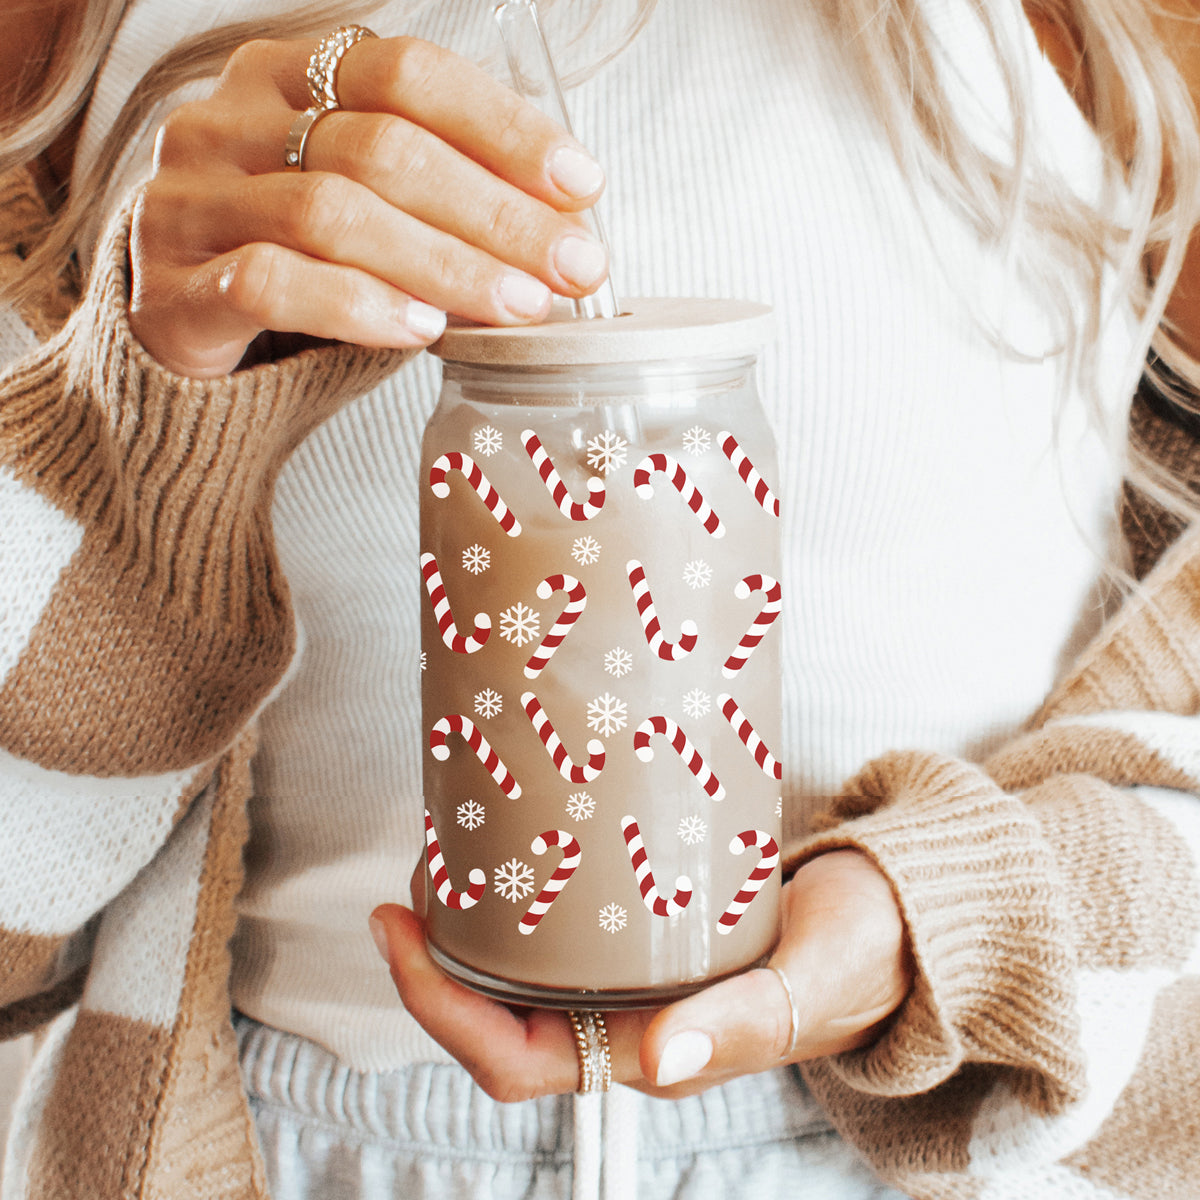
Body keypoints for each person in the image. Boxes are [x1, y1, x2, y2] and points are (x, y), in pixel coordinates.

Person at [1, 0, 1199, 1197]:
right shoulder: (88, 50)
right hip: (283, 1147)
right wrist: (132, 427)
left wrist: (962, 922)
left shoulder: (1093, 38)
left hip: (936, 1140)